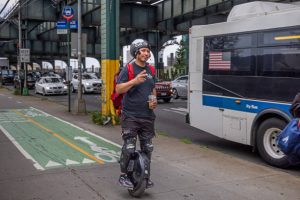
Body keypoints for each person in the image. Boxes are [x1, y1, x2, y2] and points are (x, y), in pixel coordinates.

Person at [116, 39, 157, 189]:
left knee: (148, 148)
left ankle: (146, 177)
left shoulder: (151, 70)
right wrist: (134, 81)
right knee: (129, 147)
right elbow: (119, 89)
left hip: (147, 116)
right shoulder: (128, 69)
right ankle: (123, 176)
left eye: (147, 50)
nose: (146, 53)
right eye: (143, 51)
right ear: (136, 53)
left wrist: (154, 101)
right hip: (131, 116)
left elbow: (153, 89)